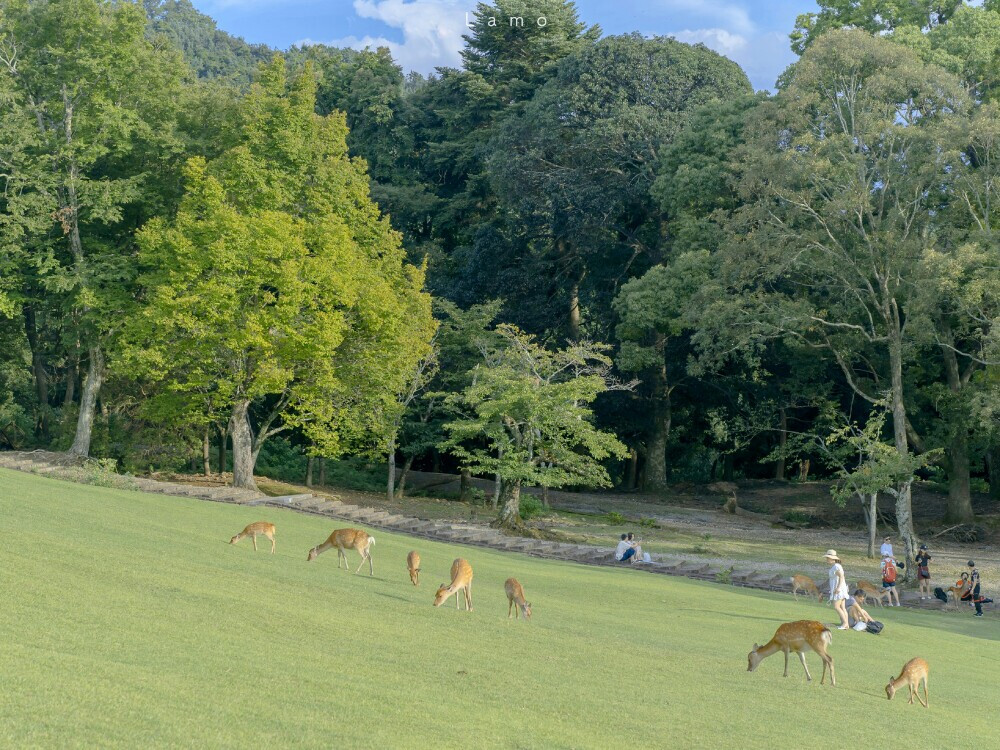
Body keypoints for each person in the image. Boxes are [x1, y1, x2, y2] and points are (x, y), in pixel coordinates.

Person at [824, 550, 851, 630]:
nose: (827, 559)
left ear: (833, 559)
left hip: (839, 590)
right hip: (840, 589)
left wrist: (838, 588)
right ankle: (846, 624)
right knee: (842, 607)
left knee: (836, 606)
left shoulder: (836, 566)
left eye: (828, 558)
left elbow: (842, 576)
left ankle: (845, 623)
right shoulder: (835, 566)